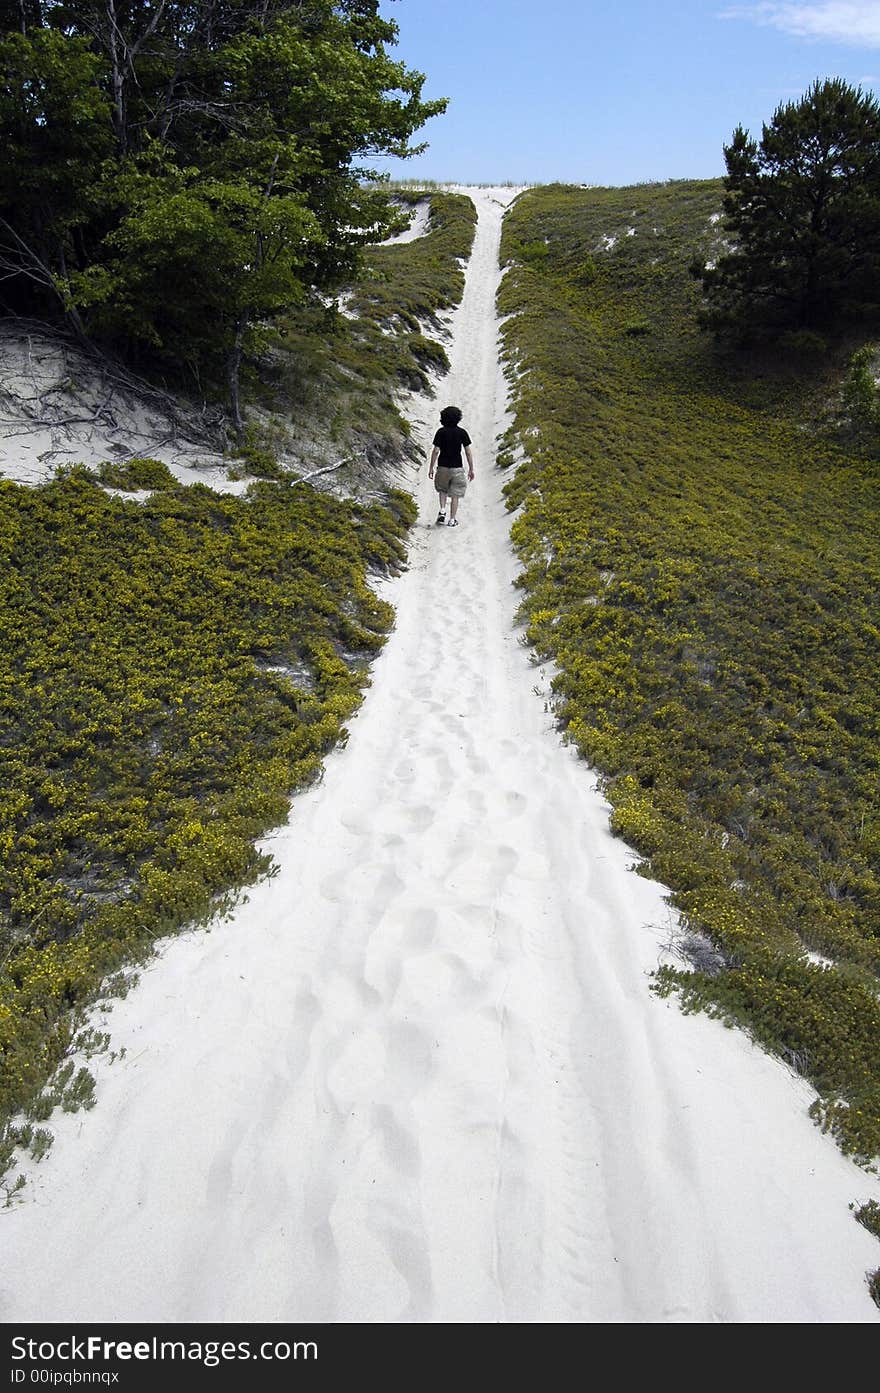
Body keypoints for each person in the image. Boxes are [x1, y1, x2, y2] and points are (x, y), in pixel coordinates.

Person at [428, 405, 474, 526]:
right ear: (458, 418)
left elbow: (436, 451)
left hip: (443, 467)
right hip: (457, 468)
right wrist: (471, 469)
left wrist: (431, 467)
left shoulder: (440, 432)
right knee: (455, 494)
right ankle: (452, 519)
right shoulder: (462, 432)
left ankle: (442, 510)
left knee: (442, 489)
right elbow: (468, 452)